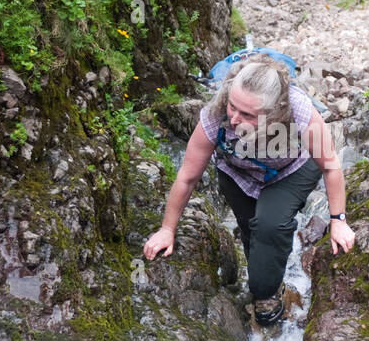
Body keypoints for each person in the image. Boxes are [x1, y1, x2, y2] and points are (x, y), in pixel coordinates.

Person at [142, 53, 356, 324]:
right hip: (238, 172)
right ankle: (263, 267)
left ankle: (266, 292)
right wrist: (167, 230)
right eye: (233, 106)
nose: (234, 118)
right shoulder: (215, 114)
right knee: (250, 230)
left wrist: (338, 221)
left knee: (270, 224)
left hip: (291, 169)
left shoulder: (299, 111)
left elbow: (330, 165)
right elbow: (187, 177)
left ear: (273, 112)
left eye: (247, 114)